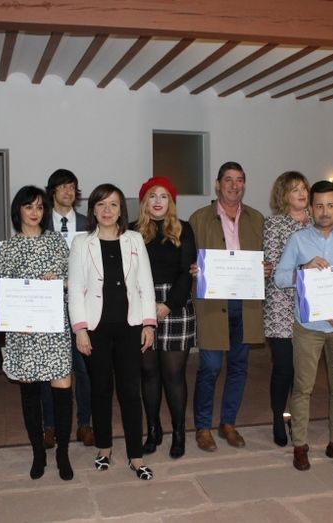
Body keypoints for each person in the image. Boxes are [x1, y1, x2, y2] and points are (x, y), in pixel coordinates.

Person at [274, 180, 333, 471]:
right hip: (308, 327)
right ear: (310, 209)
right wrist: (302, 269)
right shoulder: (298, 240)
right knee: (303, 388)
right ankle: (300, 446)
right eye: (319, 205)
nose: (325, 211)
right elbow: (279, 278)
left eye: (330, 205)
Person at [68, 183, 156, 480]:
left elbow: (145, 284)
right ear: (93, 209)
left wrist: (148, 323)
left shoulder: (135, 240)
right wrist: (80, 330)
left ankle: (136, 456)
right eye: (101, 204)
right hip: (96, 329)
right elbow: (75, 290)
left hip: (130, 327)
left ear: (121, 210)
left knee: (131, 391)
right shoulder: (81, 243)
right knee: (101, 389)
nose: (107, 210)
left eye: (113, 205)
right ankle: (104, 447)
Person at [0, 185, 74, 481]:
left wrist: (60, 282)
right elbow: (1, 293)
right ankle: (38, 453)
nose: (35, 212)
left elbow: (74, 279)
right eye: (29, 207)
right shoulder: (8, 248)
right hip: (24, 333)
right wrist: (16, 322)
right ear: (19, 210)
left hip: (54, 330)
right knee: (30, 396)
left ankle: (63, 453)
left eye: (40, 207)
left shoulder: (56, 241)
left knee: (62, 392)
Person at [190, 161, 268, 452]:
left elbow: (265, 256)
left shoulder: (257, 218)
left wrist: (266, 267)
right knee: (210, 368)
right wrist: (193, 269)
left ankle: (228, 423)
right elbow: (188, 258)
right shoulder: (199, 218)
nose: (234, 185)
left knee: (238, 367)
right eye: (228, 180)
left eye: (239, 180)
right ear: (217, 184)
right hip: (213, 304)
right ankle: (202, 426)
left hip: (246, 304)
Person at [133, 176, 197, 459]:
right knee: (148, 373)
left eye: (163, 196)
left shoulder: (184, 228)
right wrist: (147, 307)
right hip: (140, 305)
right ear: (144, 201)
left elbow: (186, 271)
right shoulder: (132, 231)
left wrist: (168, 305)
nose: (157, 201)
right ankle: (153, 430)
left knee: (174, 375)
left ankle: (179, 433)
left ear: (171, 201)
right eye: (152, 196)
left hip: (176, 306)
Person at [41, 169, 94, 448]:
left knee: (84, 368)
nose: (68, 191)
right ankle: (50, 426)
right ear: (52, 191)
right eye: (62, 187)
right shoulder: (39, 223)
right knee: (51, 368)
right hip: (49, 306)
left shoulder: (89, 223)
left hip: (83, 305)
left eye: (72, 186)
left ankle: (85, 424)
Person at [263, 171, 311, 447]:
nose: (302, 193)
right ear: (284, 195)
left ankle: (297, 417)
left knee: (304, 370)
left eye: (303, 188)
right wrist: (304, 270)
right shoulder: (274, 224)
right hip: (281, 306)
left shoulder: (317, 222)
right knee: (283, 368)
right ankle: (278, 417)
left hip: (311, 307)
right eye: (295, 189)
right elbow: (272, 266)